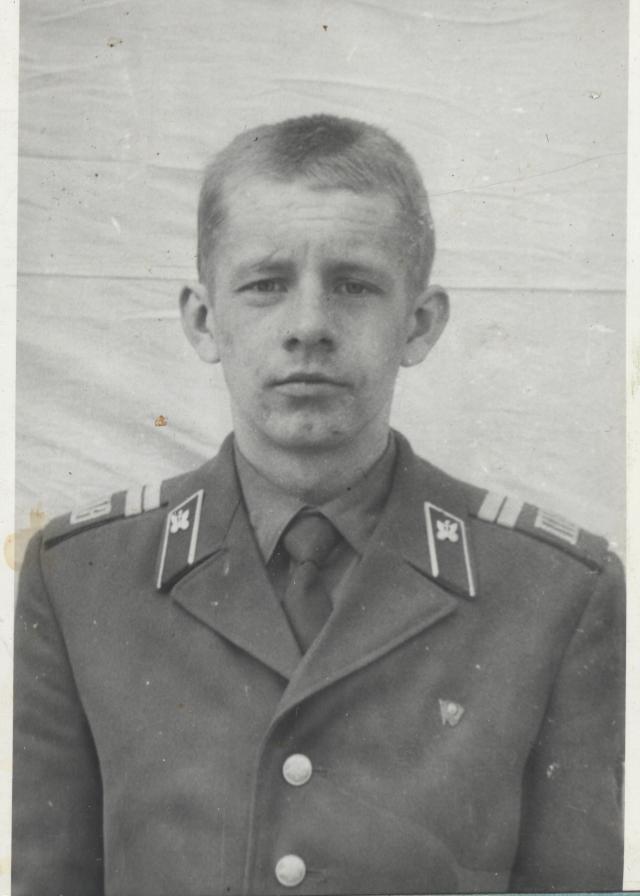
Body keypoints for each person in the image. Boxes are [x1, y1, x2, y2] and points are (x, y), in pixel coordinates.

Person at [12, 114, 624, 896]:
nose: (309, 327)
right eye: (266, 285)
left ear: (420, 324)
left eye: (354, 285)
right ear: (203, 320)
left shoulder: (554, 592)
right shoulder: (83, 579)